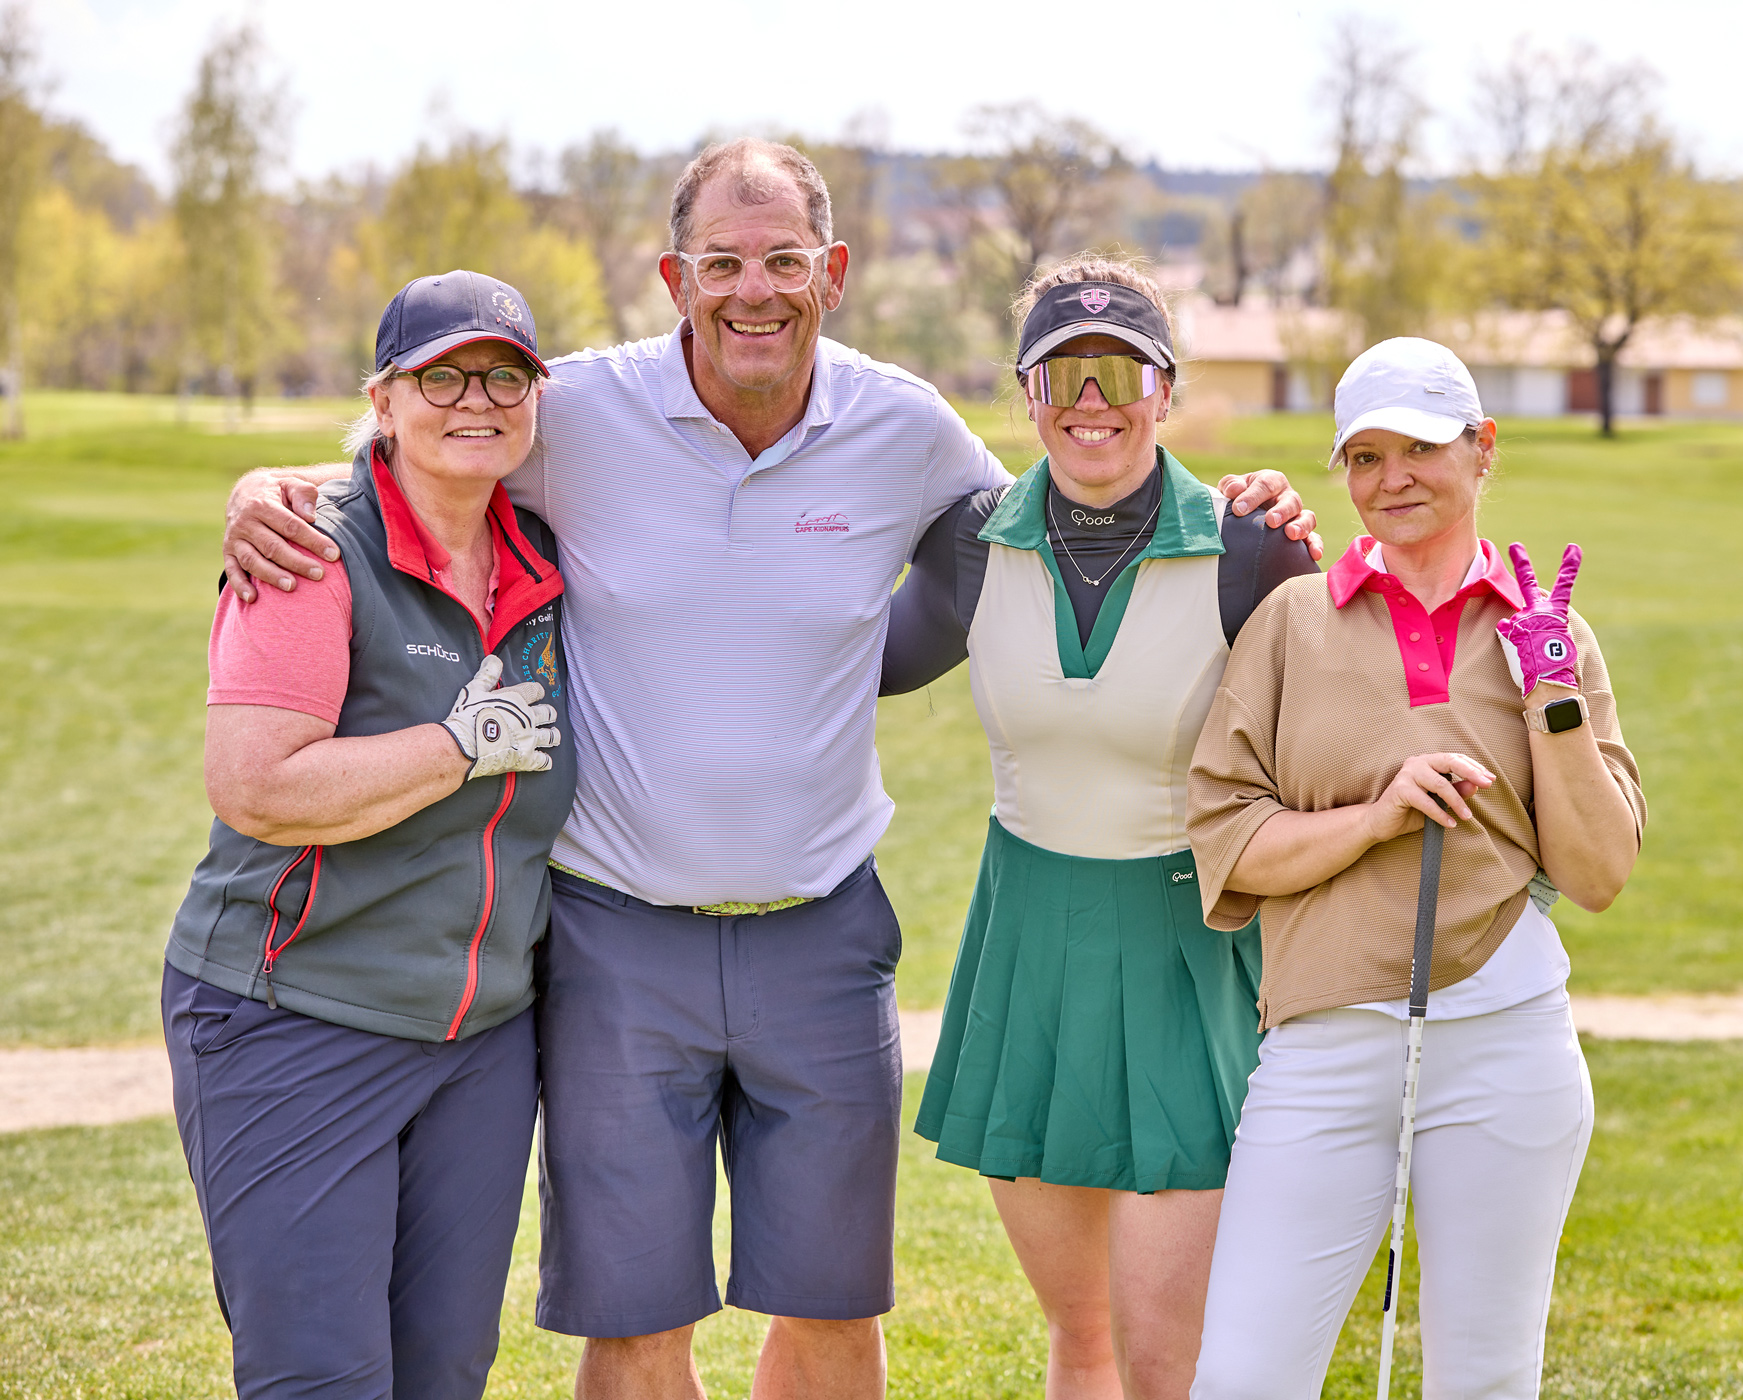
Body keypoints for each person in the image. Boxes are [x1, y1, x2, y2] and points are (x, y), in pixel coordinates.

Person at [216, 139, 1316, 1400]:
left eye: (784, 258)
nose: (755, 289)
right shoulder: (568, 411)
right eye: (723, 261)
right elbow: (423, 441)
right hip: (615, 938)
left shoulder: (901, 424)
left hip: (822, 937)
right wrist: (274, 483)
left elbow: (1065, 504)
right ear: (674, 274)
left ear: (832, 270)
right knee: (632, 1329)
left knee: (833, 1312)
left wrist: (1252, 514)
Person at [882, 256, 1318, 1399]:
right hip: (1025, 948)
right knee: (1080, 1345)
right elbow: (825, 653)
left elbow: (1337, 732)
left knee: (1165, 1362)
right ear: (1026, 393)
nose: (1091, 399)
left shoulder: (1253, 550)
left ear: (1164, 387)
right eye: (1062, 371)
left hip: (1190, 952)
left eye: (1118, 370)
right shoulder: (972, 542)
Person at [1180, 337, 1646, 1400]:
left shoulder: (1550, 630)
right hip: (1324, 1044)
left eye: (1423, 448)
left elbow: (1600, 869)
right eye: (1366, 456)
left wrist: (1552, 692)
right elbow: (1231, 840)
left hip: (1506, 1040)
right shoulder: (1292, 621)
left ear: (1483, 450)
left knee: (1484, 1377)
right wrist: (1377, 816)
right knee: (1246, 1375)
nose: (1393, 479)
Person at [164, 271, 571, 1399]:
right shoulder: (307, 552)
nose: (475, 398)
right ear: (384, 398)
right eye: (441, 374)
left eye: (504, 374)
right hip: (295, 1016)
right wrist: (453, 746)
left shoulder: (547, 559)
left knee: (443, 1371)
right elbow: (257, 785)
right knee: (321, 1377)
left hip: (480, 1043)